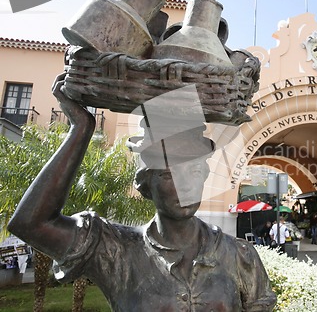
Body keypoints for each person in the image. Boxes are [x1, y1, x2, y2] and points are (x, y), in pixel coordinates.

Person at [7, 78, 276, 311]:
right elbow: (31, 224)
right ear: (146, 184)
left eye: (194, 170)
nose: (185, 184)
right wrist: (81, 129)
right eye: (169, 174)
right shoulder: (115, 250)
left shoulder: (240, 256)